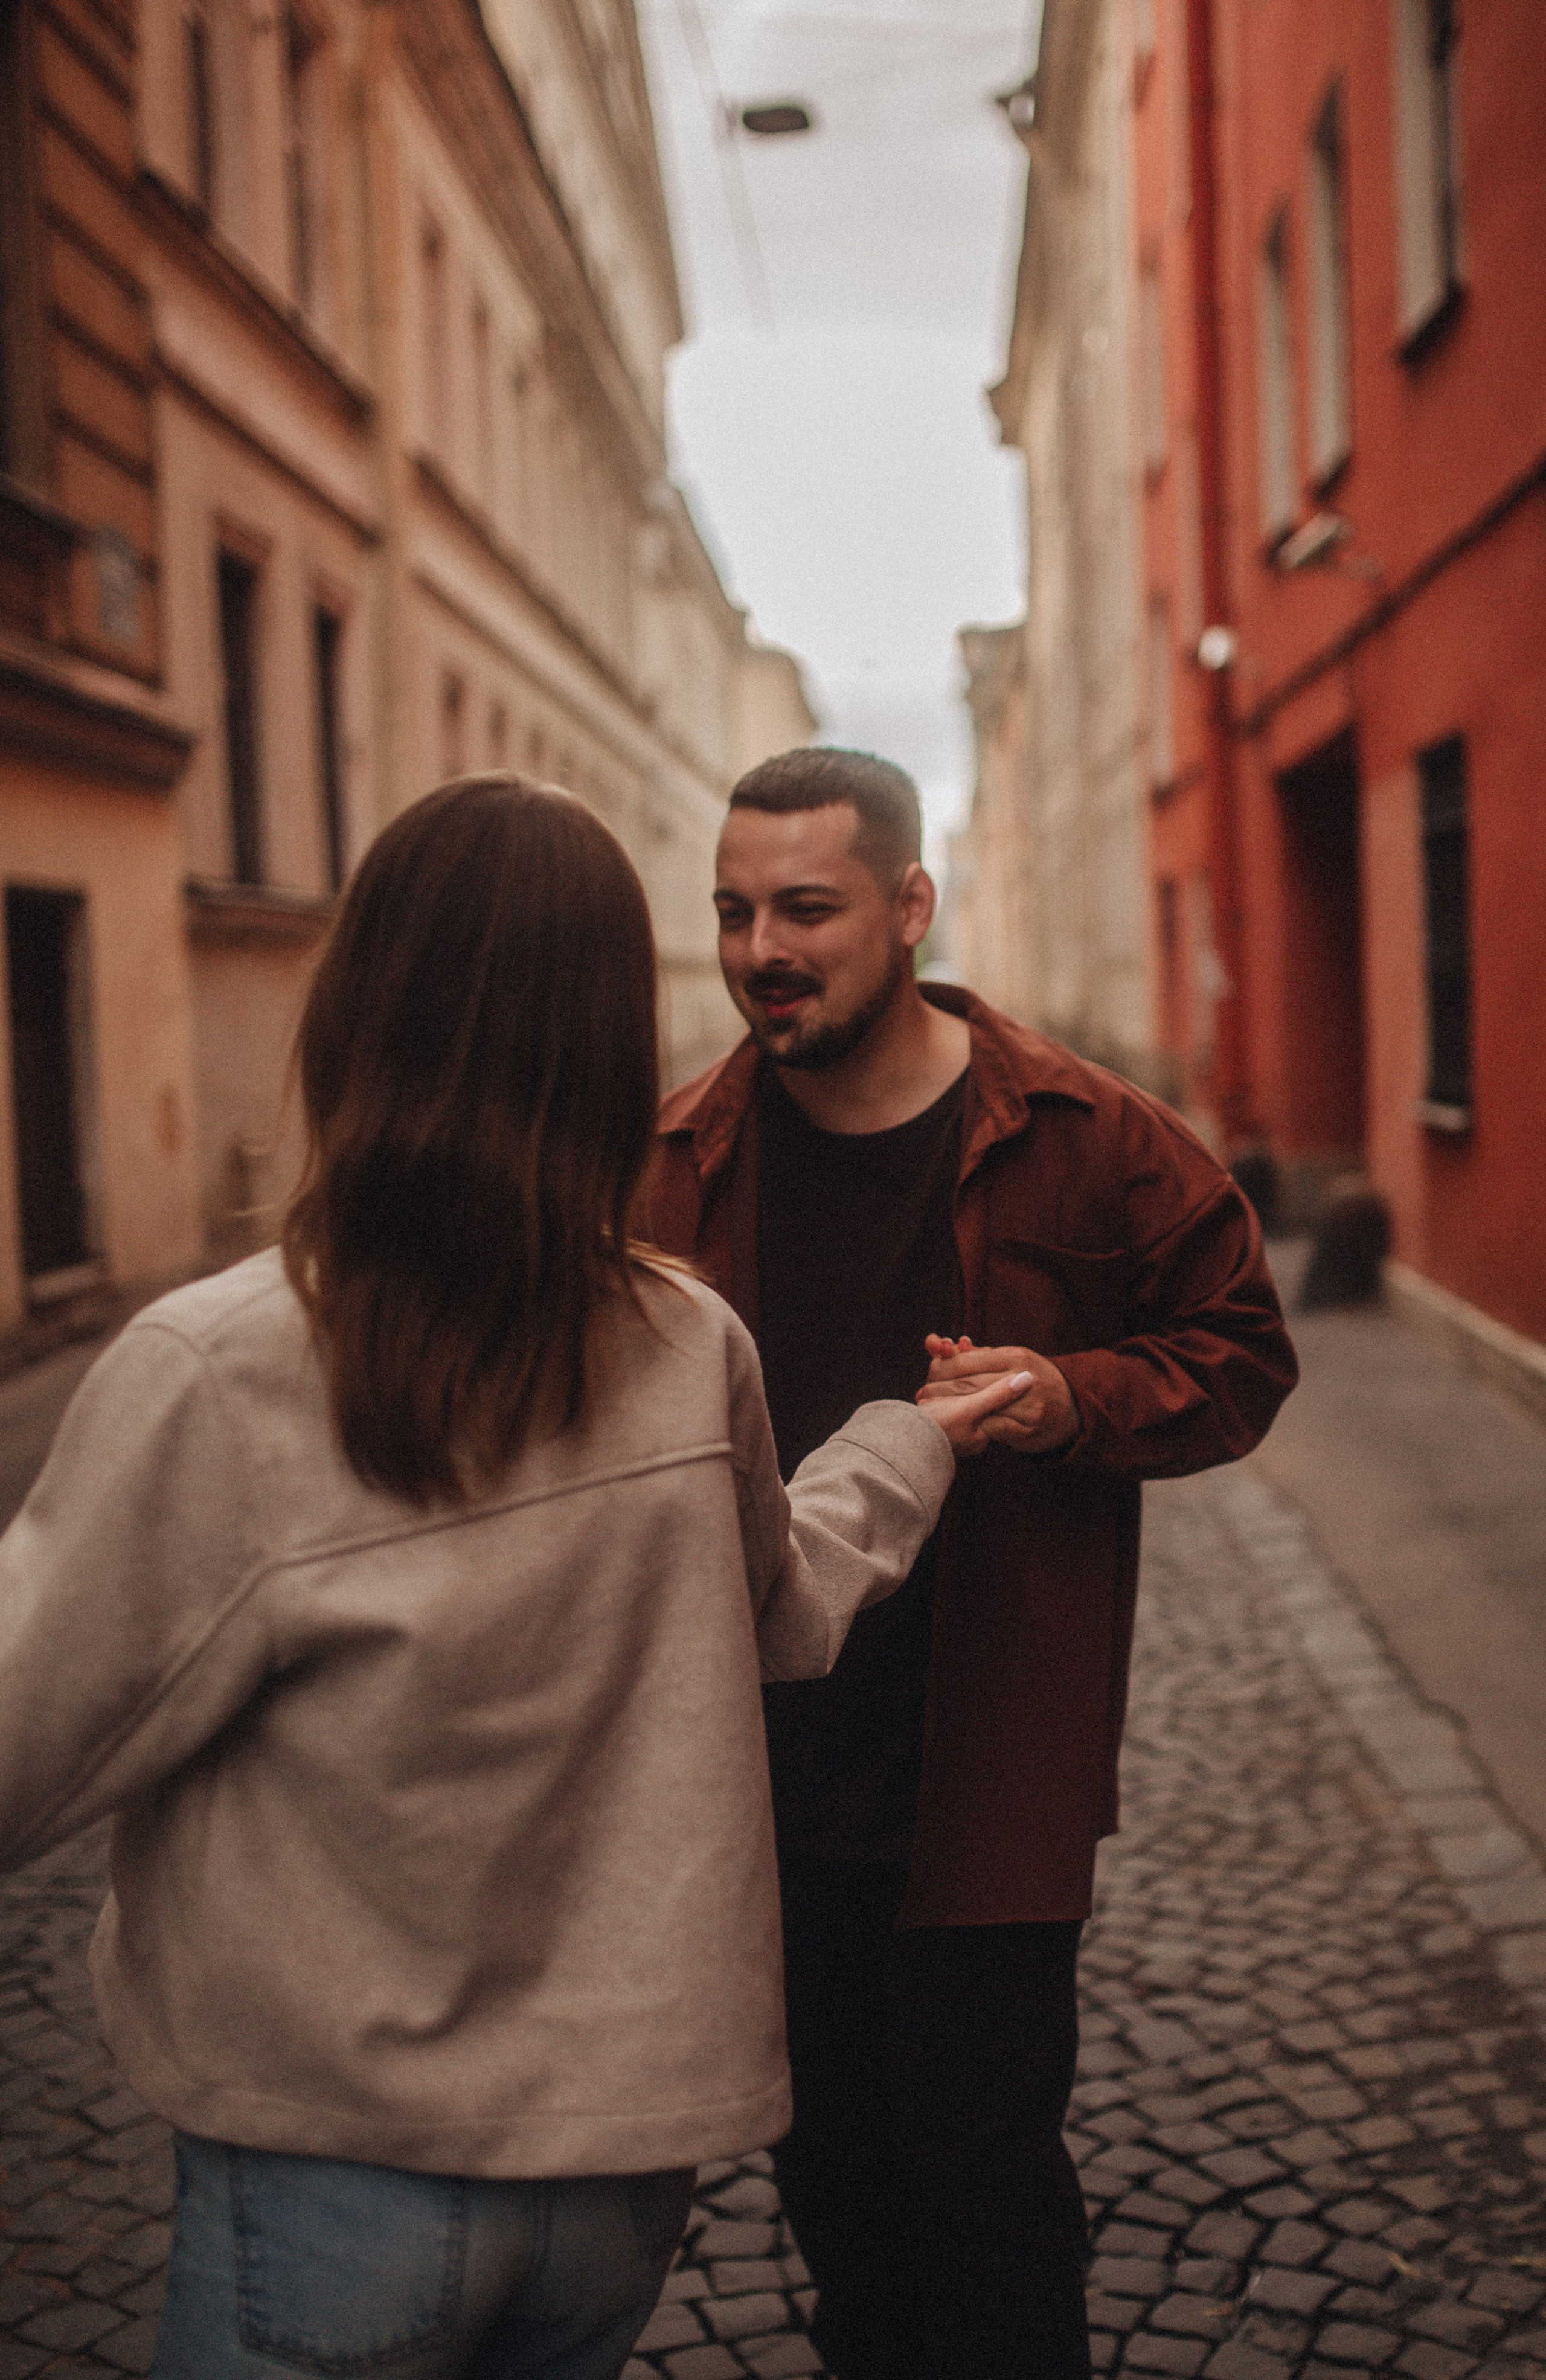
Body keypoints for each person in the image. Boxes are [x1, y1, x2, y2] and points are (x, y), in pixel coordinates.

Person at [0, 776, 1031, 2380]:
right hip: (615, 2190)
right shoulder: (689, 1344)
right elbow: (790, 1602)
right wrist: (916, 1438)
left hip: (342, 2170)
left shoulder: (229, 1369)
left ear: (352, 1011)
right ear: (611, 1045)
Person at [643, 747, 1300, 2380]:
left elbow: (1241, 1349)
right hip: (757, 1786)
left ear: (910, 906)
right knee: (836, 2187)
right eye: (733, 911)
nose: (759, 949)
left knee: (990, 2191)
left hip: (983, 1776)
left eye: (806, 907)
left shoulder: (1084, 1133)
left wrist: (1072, 1395)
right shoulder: (672, 1163)